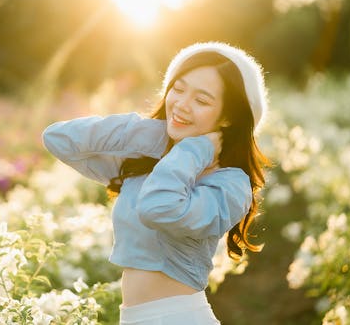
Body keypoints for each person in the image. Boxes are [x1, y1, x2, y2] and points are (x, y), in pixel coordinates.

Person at [42, 41, 270, 324]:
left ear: (227, 118)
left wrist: (197, 148)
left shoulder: (230, 183)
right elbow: (59, 139)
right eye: (178, 89)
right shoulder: (146, 163)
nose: (182, 105)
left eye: (201, 100)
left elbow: (159, 207)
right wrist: (150, 132)